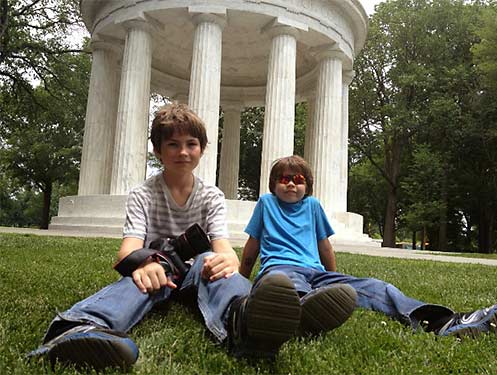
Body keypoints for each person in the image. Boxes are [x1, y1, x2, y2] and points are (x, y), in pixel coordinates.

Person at [28, 104, 302, 370]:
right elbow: (128, 251)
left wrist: (226, 261)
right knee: (146, 275)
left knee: (211, 261)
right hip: (160, 273)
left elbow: (224, 250)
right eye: (173, 144)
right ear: (158, 151)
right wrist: (146, 265)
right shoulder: (143, 195)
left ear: (202, 149)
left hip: (199, 274)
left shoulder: (212, 196)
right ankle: (75, 327)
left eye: (191, 144)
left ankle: (245, 322)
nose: (183, 152)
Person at [240, 155, 497, 339]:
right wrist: (240, 280)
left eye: (297, 179)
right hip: (280, 270)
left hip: (316, 273)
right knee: (288, 285)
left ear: (307, 185)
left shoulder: (313, 206)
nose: (290, 184)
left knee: (378, 288)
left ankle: (442, 321)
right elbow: (252, 247)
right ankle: (297, 312)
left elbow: (325, 246)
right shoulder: (266, 203)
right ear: (273, 184)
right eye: (283, 179)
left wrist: (335, 281)